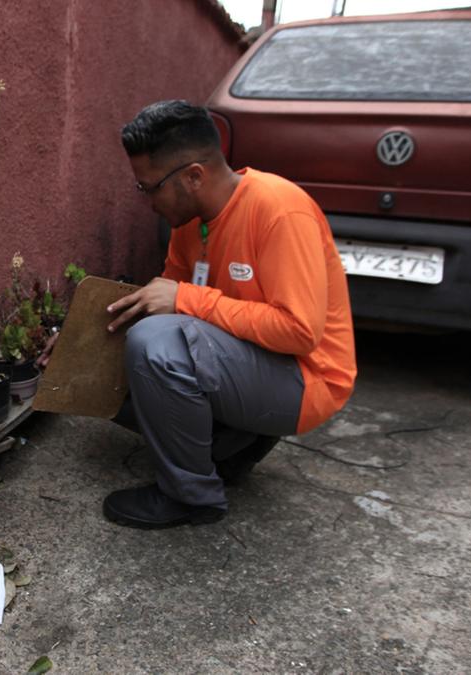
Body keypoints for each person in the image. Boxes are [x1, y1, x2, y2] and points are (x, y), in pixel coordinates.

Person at [41, 100, 356, 529]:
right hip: (253, 366)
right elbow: (164, 305)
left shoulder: (279, 210)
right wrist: (85, 340)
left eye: (149, 187)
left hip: (306, 379)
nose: (146, 200)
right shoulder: (189, 223)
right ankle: (231, 447)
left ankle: (191, 497)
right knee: (123, 353)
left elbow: (299, 333)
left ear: (193, 176)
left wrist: (189, 300)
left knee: (154, 345)